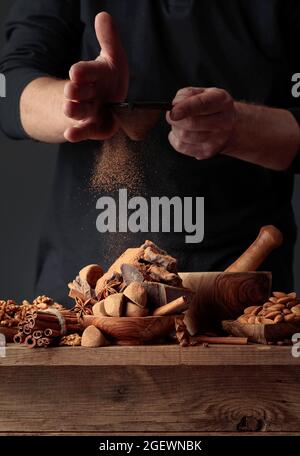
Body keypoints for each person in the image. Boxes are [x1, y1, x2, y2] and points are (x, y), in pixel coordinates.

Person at [0, 0, 299, 304]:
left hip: (240, 300)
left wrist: (240, 127)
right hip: (87, 299)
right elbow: (8, 88)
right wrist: (75, 103)